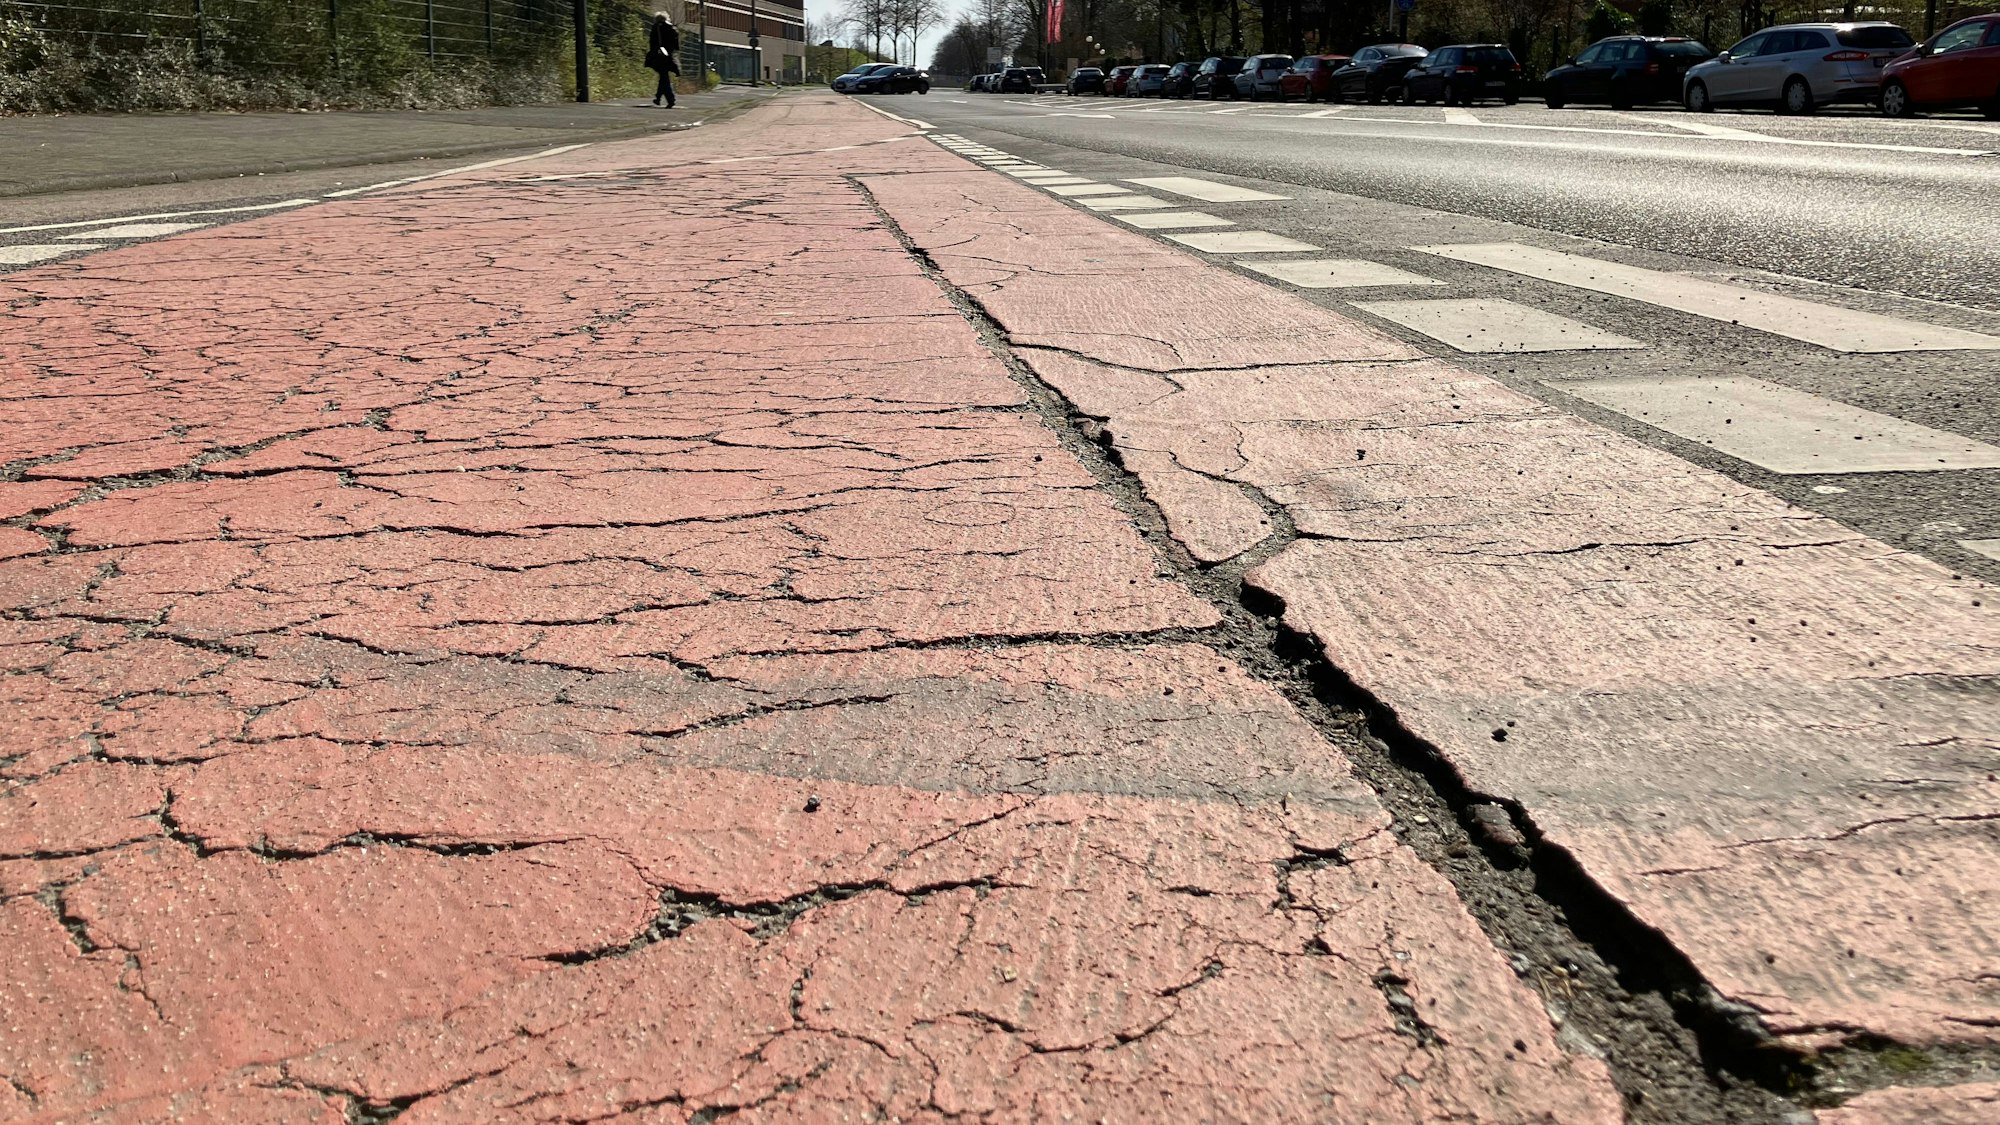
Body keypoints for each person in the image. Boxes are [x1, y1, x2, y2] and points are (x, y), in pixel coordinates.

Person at [646, 12, 681, 107]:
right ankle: (658, 98)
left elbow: (652, 42)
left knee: (664, 78)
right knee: (663, 77)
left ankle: (670, 100)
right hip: (669, 56)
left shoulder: (656, 27)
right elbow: (677, 46)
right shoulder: (673, 29)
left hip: (659, 56)